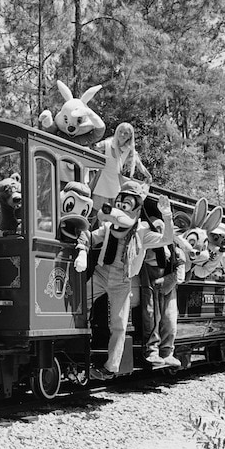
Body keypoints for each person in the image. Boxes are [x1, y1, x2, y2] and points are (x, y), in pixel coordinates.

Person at [74, 181, 175, 380]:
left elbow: (166, 239)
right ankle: (76, 353)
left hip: (122, 281)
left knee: (119, 325)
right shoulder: (109, 226)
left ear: (136, 208)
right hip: (101, 274)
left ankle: (110, 367)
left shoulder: (142, 233)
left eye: (127, 204)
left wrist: (167, 216)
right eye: (120, 203)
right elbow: (91, 237)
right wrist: (81, 247)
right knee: (78, 306)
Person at [138, 201, 183, 368]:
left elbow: (181, 262)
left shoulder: (172, 246)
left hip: (168, 278)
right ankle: (152, 350)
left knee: (170, 317)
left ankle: (167, 351)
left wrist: (172, 279)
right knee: (151, 315)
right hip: (148, 275)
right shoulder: (146, 236)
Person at [92, 123, 152, 212]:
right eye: (120, 131)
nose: (122, 135)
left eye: (126, 133)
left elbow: (139, 164)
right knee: (95, 211)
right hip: (101, 182)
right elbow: (93, 148)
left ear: (130, 136)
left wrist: (148, 176)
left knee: (111, 213)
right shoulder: (107, 144)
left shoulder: (129, 150)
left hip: (115, 185)